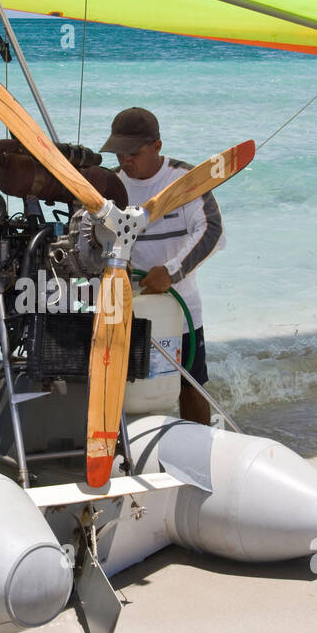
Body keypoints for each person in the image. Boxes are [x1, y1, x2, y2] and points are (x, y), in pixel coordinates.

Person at [101, 107, 224, 425]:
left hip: (179, 310)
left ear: (156, 146)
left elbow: (212, 230)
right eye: (119, 153)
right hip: (128, 307)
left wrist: (172, 271)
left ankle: (199, 451)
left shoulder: (184, 180)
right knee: (118, 385)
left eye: (133, 153)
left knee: (190, 386)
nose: (125, 161)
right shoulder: (111, 186)